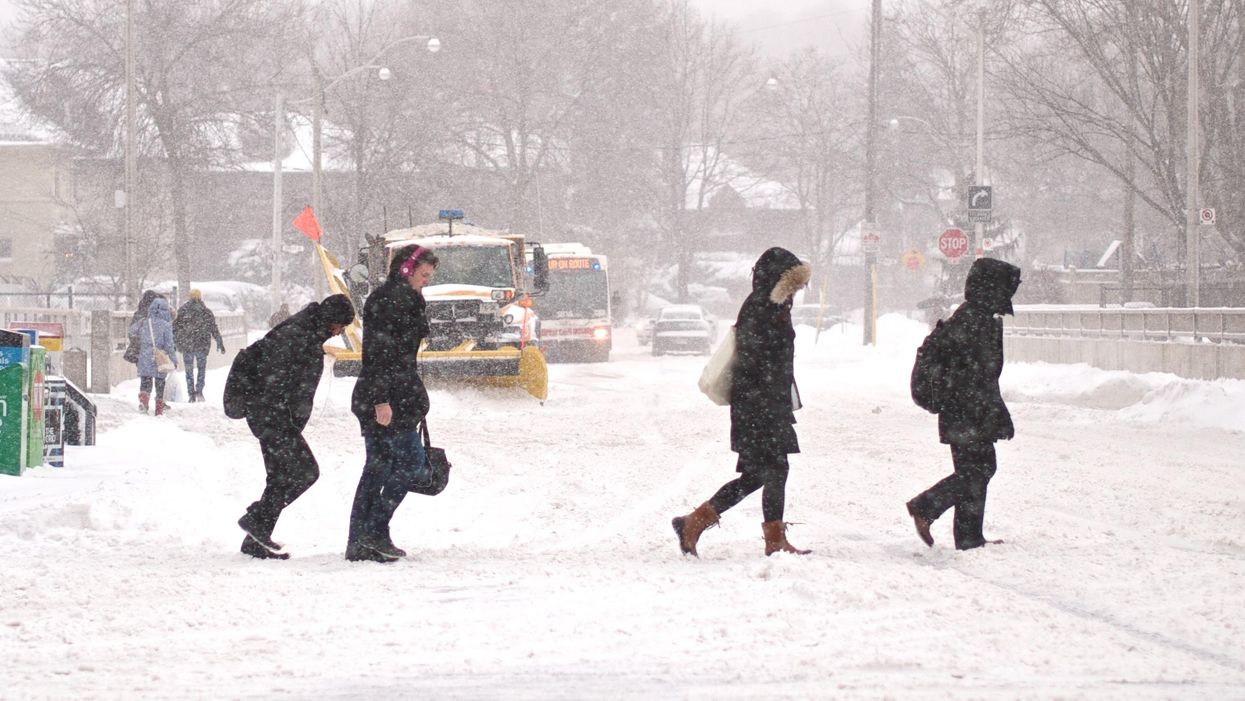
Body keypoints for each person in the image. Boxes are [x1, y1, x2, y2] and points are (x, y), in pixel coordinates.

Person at [671, 247, 813, 557]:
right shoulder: (762, 308)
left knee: (761, 474)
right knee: (773, 469)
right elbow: (753, 361)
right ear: (779, 281)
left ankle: (693, 522)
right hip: (759, 407)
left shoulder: (771, 307)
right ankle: (772, 540)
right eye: (793, 285)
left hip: (766, 405)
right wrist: (768, 399)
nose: (796, 292)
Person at [905, 257, 1023, 550]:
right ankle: (925, 506)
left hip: (963, 410)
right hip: (966, 411)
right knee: (978, 470)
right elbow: (977, 376)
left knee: (975, 469)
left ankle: (969, 537)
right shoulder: (976, 320)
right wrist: (992, 412)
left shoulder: (974, 316)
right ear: (992, 288)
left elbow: (980, 375)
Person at [234, 294, 356, 560]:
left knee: (279, 476)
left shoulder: (307, 331)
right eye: (340, 326)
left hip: (274, 417)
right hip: (271, 417)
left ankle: (255, 540)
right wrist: (282, 415)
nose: (339, 333)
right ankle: (257, 519)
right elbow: (273, 377)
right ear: (331, 320)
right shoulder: (297, 334)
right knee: (305, 472)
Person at [346, 244, 438, 563]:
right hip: (386, 399)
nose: (426, 280)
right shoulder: (390, 301)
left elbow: (399, 356)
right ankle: (371, 532)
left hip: (399, 396)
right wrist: (381, 400)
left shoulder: (403, 299)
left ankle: (367, 537)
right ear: (406, 270)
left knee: (381, 468)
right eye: (423, 275)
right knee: (406, 466)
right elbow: (379, 354)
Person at [127, 296, 178, 415]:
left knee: (145, 380)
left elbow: (131, 331)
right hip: (159, 356)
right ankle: (159, 409)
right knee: (160, 382)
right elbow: (169, 345)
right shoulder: (166, 325)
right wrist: (174, 360)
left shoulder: (144, 322)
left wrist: (143, 339)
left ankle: (144, 403)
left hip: (145, 355)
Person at [173, 289, 225, 402]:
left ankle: (191, 394)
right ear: (200, 297)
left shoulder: (182, 311)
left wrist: (174, 342)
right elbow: (213, 328)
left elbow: (175, 328)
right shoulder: (206, 312)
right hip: (202, 345)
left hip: (187, 345)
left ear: (189, 297)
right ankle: (199, 391)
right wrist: (219, 341)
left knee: (189, 370)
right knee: (201, 369)